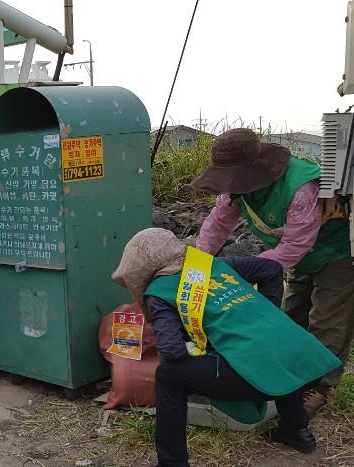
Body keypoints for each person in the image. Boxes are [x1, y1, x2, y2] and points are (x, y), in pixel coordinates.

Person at [112, 228, 341, 467]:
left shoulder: (158, 293)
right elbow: (272, 270)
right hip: (307, 361)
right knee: (272, 351)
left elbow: (172, 351)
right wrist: (265, 315)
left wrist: (195, 344)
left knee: (169, 376)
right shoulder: (214, 264)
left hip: (257, 374)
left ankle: (172, 462)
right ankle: (297, 430)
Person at [192, 128, 354, 413]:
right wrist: (195, 268)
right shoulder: (235, 193)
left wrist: (241, 276)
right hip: (297, 257)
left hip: (333, 252)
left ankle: (321, 387)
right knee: (290, 317)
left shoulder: (301, 187)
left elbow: (295, 244)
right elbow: (216, 226)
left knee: (328, 320)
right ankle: (290, 376)